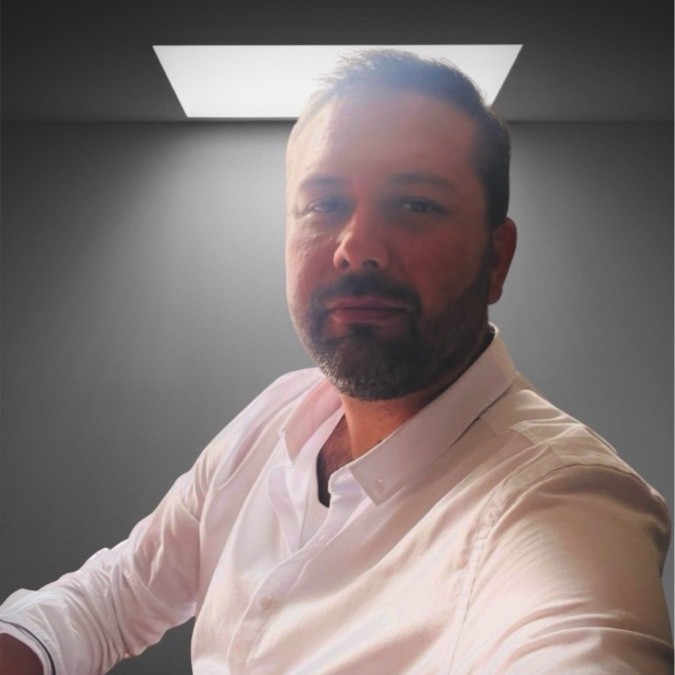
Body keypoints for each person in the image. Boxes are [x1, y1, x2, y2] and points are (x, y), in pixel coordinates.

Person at [0, 49, 671, 674]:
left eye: (415, 204)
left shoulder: (560, 500)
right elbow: (117, 592)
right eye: (323, 203)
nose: (358, 247)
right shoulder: (279, 415)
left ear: (496, 258)